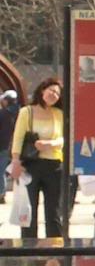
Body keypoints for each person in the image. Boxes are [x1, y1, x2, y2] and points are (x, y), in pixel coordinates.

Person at [10, 78, 64, 238]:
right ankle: (29, 252)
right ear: (42, 90)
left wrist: (50, 143)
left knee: (53, 212)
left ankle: (55, 254)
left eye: (57, 93)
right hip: (30, 165)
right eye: (51, 91)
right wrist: (15, 161)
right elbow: (18, 138)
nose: (54, 95)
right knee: (29, 210)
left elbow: (63, 139)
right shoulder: (27, 112)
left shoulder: (59, 114)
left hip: (54, 166)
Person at [0, 90, 18, 204]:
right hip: (15, 147)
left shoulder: (3, 114)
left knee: (0, 170)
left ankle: (1, 193)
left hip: (2, 146)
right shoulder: (21, 112)